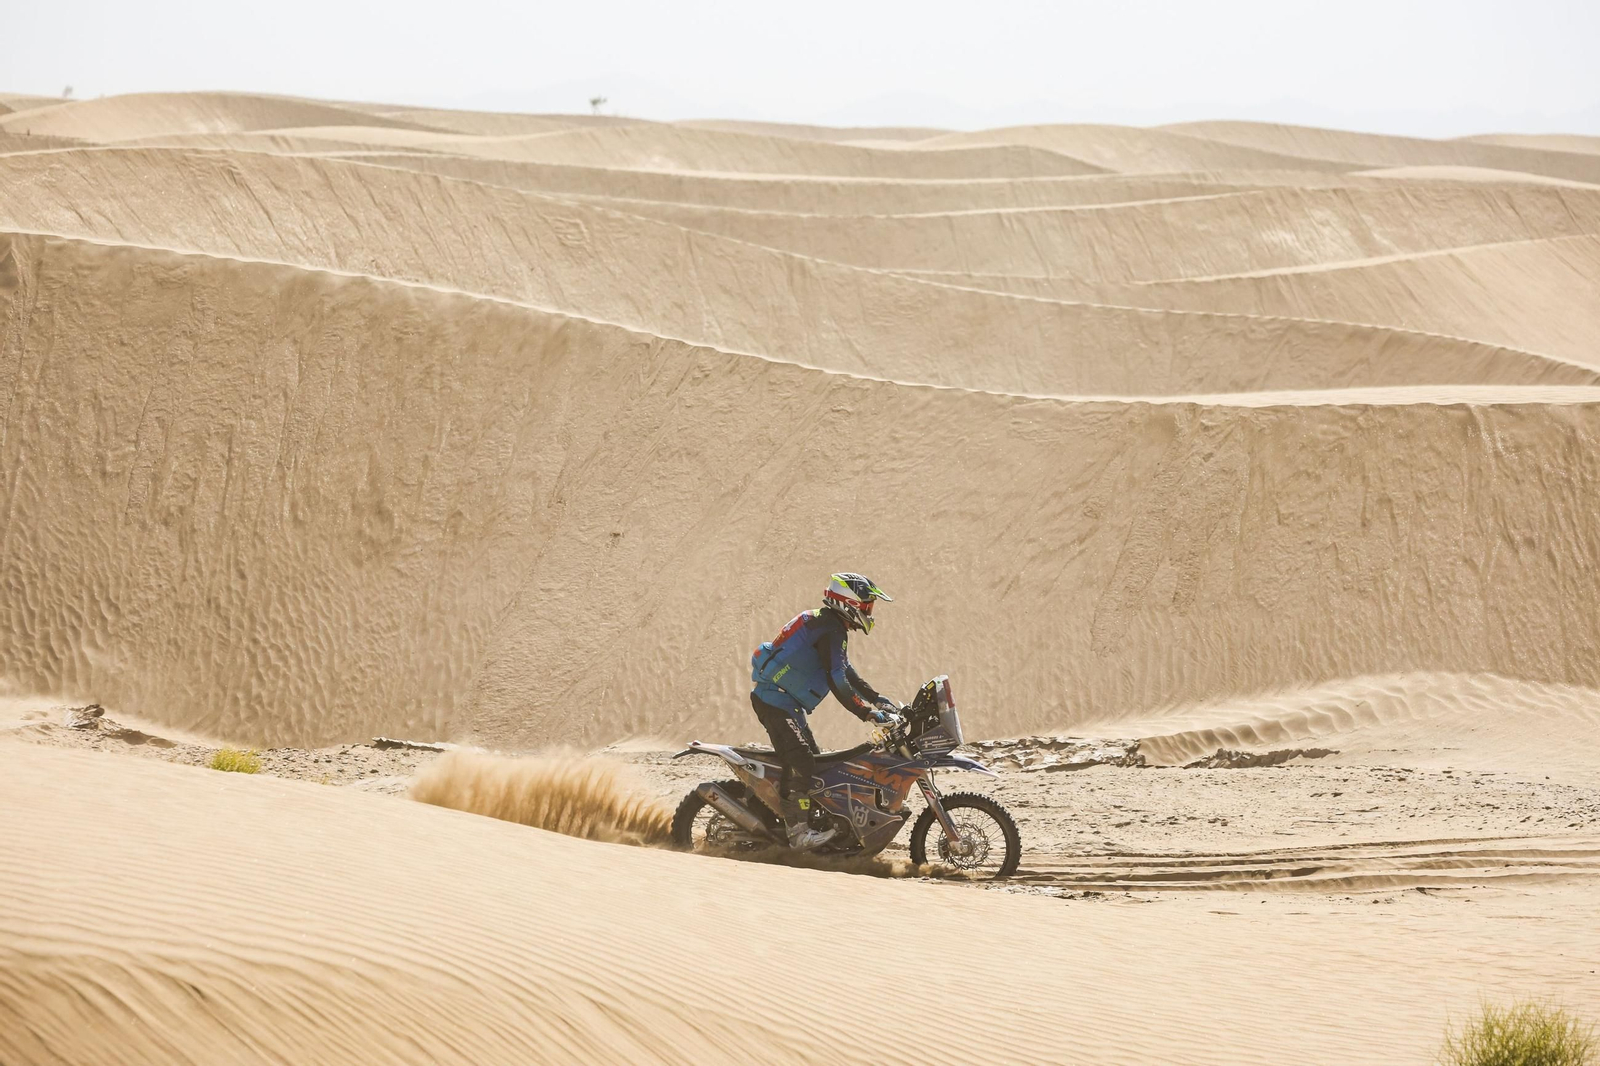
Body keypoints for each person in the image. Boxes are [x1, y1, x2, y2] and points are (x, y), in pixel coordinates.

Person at [750, 572, 902, 849]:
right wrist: (867, 713)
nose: (869, 612)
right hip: (774, 701)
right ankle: (798, 831)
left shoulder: (829, 624)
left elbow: (844, 670)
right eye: (866, 605)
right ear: (849, 603)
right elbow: (837, 680)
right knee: (803, 762)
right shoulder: (830, 628)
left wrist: (878, 699)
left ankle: (814, 825)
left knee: (816, 765)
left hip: (784, 702)